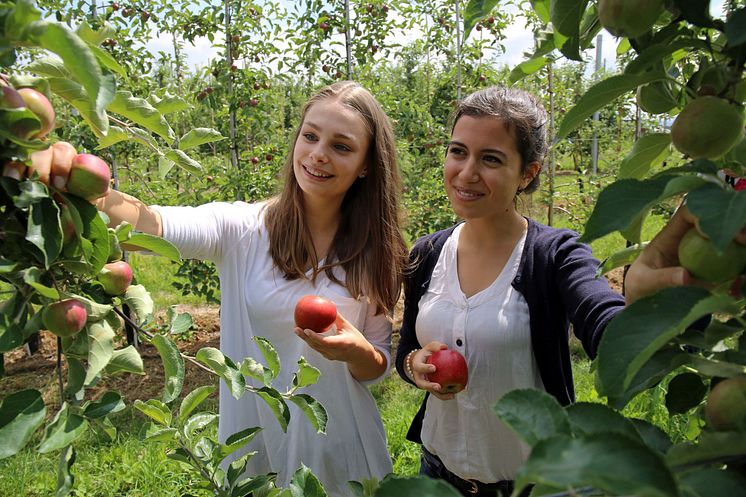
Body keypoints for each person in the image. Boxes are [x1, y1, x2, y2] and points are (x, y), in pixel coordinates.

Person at [38, 81, 407, 497]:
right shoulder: (243, 229)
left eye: (342, 146)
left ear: (365, 165)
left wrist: (356, 351)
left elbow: (377, 369)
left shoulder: (377, 251)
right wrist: (77, 180)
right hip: (258, 449)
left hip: (343, 451)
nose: (319, 153)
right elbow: (152, 225)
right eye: (310, 135)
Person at [393, 85, 745, 497]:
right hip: (438, 476)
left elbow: (605, 326)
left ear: (529, 173)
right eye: (458, 151)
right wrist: (416, 364)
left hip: (535, 485)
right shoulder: (428, 253)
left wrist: (653, 305)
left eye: (491, 158)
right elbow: (406, 355)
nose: (467, 172)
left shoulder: (556, 254)